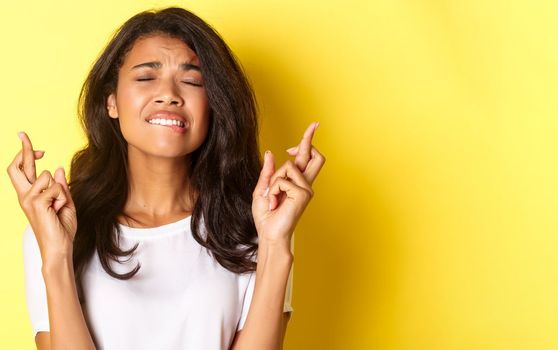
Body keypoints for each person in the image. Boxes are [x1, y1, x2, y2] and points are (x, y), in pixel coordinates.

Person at [7, 7, 325, 350]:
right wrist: (55, 254)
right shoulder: (57, 228)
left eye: (192, 81)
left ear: (214, 105)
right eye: (146, 78)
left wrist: (276, 244)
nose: (170, 94)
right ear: (111, 101)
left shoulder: (256, 224)